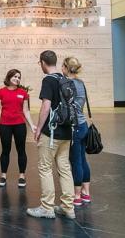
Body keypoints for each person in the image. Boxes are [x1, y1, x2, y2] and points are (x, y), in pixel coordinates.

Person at [26, 50, 75, 220]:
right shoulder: (65, 79)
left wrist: (39, 129)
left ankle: (47, 207)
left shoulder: (48, 80)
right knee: (64, 167)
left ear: (42, 62)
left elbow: (46, 107)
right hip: (67, 131)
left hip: (52, 132)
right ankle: (68, 207)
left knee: (45, 168)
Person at [0, 69, 36, 188]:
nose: (17, 79)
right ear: (9, 77)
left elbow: (26, 111)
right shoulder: (0, 92)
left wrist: (32, 125)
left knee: (21, 150)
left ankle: (22, 175)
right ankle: (3, 175)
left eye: (19, 77)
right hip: (5, 125)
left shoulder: (23, 93)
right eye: (15, 77)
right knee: (5, 150)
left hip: (19, 125)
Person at [62, 57, 91, 207]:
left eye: (63, 66)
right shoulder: (81, 83)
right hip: (83, 124)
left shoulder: (67, 84)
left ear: (66, 67)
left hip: (74, 126)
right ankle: (86, 192)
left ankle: (77, 194)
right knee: (82, 159)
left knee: (76, 161)